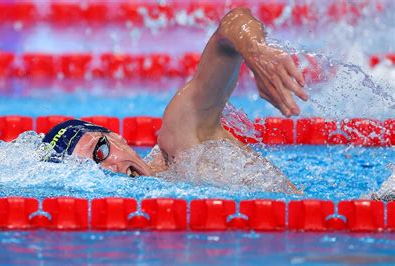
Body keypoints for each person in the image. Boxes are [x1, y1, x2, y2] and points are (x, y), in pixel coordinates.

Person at [42, 8, 307, 192]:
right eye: (89, 172)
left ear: (116, 137)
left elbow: (233, 24)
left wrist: (255, 51)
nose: (109, 170)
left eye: (99, 152)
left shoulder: (181, 143)